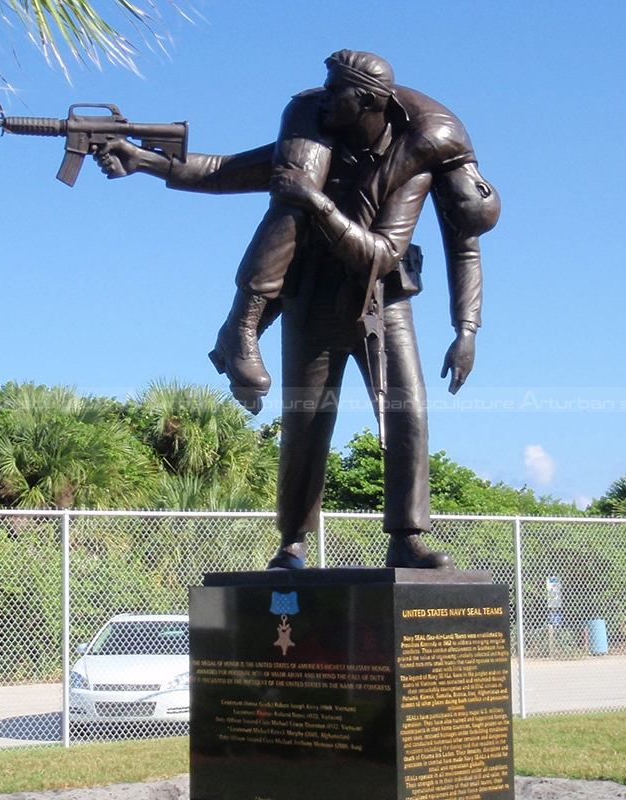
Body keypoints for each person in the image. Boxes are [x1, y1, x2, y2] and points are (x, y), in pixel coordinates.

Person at [94, 50, 499, 569]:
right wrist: (145, 160)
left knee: (408, 414)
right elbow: (225, 170)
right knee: (306, 419)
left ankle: (407, 537)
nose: (323, 98)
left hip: (383, 296)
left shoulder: (417, 161)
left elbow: (422, 250)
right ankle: (292, 541)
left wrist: (466, 329)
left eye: (337, 92)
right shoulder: (311, 141)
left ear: (369, 102)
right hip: (312, 291)